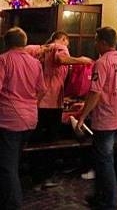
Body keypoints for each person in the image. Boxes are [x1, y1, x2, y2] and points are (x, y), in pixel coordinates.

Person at [76, 27, 117, 210]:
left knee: (104, 161)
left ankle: (109, 203)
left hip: (107, 118)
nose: (95, 44)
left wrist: (82, 117)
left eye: (96, 41)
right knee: (102, 158)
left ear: (102, 42)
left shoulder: (101, 63)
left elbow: (95, 92)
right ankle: (100, 197)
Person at [0, 27, 46, 210]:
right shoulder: (35, 63)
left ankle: (13, 204)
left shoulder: (4, 60)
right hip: (30, 119)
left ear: (6, 42)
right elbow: (42, 90)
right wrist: (31, 105)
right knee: (12, 162)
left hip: (9, 120)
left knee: (7, 166)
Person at [35, 31, 93, 142]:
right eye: (67, 43)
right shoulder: (60, 46)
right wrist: (82, 60)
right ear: (63, 39)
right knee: (52, 137)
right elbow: (61, 59)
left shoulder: (43, 49)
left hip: (39, 99)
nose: (67, 46)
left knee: (37, 136)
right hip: (53, 101)